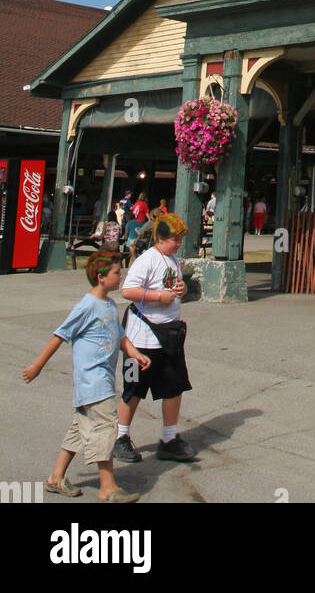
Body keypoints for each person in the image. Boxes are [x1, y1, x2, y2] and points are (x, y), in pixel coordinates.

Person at [23, 250, 151, 503]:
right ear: (102, 277)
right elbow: (60, 335)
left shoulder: (110, 305)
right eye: (116, 272)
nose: (121, 275)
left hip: (100, 381)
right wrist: (37, 366)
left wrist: (135, 353)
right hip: (92, 382)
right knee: (105, 428)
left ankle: (56, 478)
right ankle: (107, 487)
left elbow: (120, 336)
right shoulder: (87, 305)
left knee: (79, 431)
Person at [114, 214, 195, 464]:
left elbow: (176, 286)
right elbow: (128, 290)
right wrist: (158, 297)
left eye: (180, 239)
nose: (178, 243)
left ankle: (169, 440)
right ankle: (120, 438)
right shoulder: (146, 260)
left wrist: (183, 288)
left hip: (168, 338)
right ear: (160, 239)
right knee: (134, 390)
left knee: (174, 388)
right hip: (141, 341)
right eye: (174, 239)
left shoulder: (173, 260)